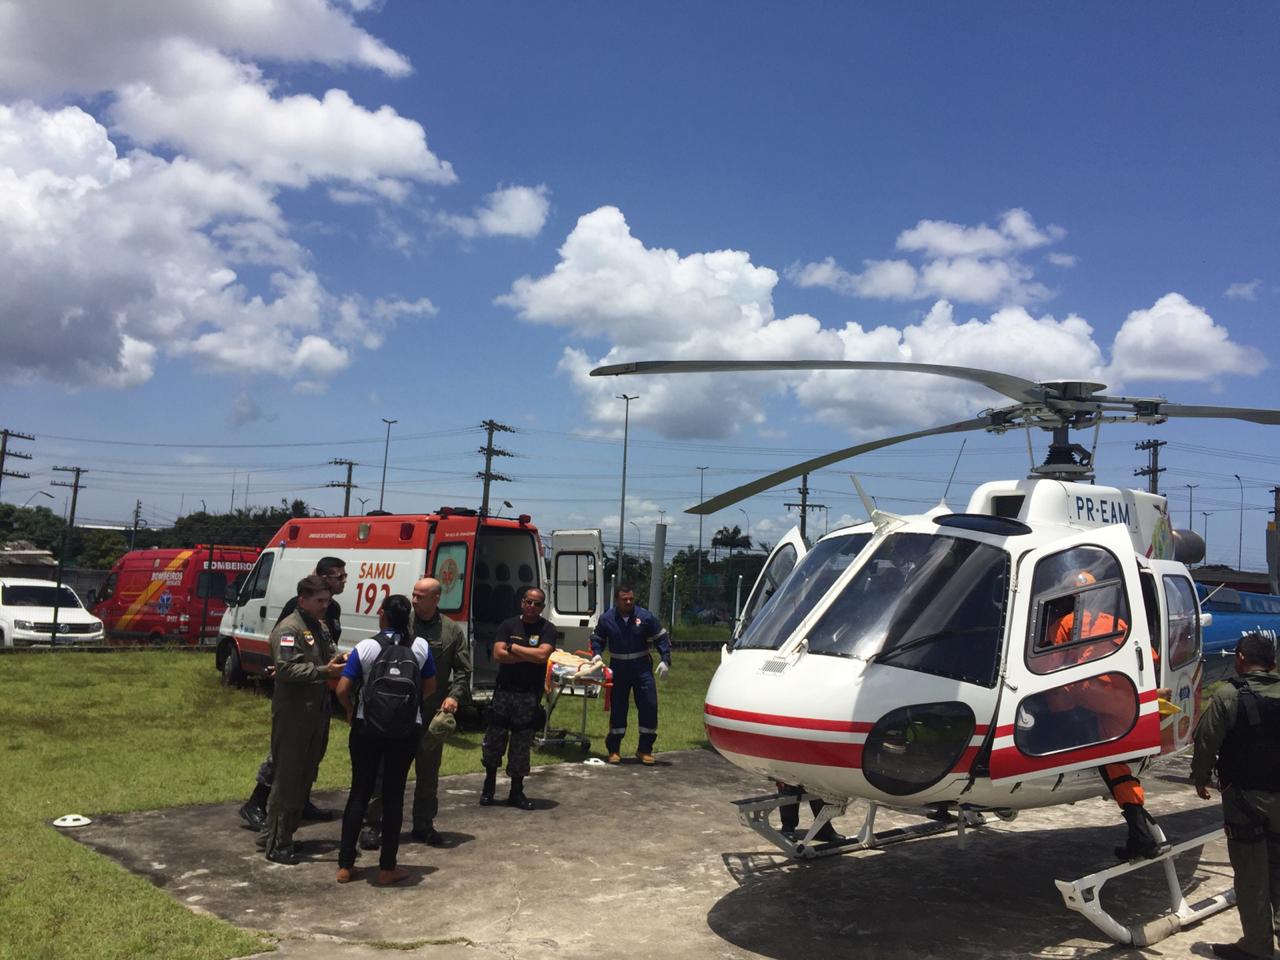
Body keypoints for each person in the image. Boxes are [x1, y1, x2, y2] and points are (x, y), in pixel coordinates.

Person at [1044, 568, 1160, 860]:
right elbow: (1151, 656)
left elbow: (1051, 666)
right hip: (1123, 696)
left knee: (1054, 709)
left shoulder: (1066, 623)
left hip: (1089, 694)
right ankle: (1139, 830)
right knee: (1116, 763)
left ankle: (1140, 830)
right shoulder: (1118, 622)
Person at [359, 576, 471, 849]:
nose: (415, 600)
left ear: (436, 599)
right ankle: (373, 825)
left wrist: (453, 697)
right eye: (414, 594)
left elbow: (463, 670)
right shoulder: (401, 625)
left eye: (421, 596)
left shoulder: (451, 631)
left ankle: (423, 825)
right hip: (396, 713)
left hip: (430, 715)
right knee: (384, 771)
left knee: (428, 772)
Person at [335, 594, 436, 885]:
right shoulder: (420, 647)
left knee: (359, 793)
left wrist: (351, 709)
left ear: (383, 615)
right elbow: (430, 686)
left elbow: (343, 687)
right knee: (393, 796)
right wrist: (408, 708)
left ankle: (345, 865)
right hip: (405, 730)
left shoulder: (366, 647)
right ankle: (387, 867)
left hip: (367, 728)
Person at [239, 556, 347, 831]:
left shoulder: (327, 613)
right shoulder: (296, 614)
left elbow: (326, 646)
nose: (343, 580)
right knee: (284, 761)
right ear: (324, 579)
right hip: (296, 699)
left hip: (316, 698)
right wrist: (318, 669)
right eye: (338, 576)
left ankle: (301, 802)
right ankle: (260, 806)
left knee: (311, 757)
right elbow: (284, 650)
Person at [1191, 632, 1280, 960]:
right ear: (1271, 661)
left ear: (1240, 658)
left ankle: (1257, 946)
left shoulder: (1228, 695)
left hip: (1245, 800)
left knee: (1251, 872)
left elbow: (1206, 743)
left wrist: (1200, 778)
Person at [259, 575, 347, 864]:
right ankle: (277, 842)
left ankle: (277, 832)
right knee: (288, 777)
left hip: (317, 711)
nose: (325, 605)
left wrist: (344, 661)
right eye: (319, 600)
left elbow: (330, 655)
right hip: (294, 714)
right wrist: (325, 672)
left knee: (306, 773)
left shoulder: (318, 627)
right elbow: (286, 671)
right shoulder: (289, 629)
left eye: (327, 600)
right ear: (302, 600)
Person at [479, 586, 556, 809]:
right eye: (528, 601)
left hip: (528, 695)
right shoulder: (508, 625)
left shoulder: (547, 628)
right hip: (504, 692)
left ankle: (516, 791)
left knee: (521, 744)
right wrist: (527, 655)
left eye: (537, 603)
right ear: (522, 602)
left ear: (542, 607)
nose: (532, 606)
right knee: (494, 740)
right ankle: (489, 786)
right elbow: (497, 655)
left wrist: (513, 648)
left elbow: (543, 655)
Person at [590, 585, 670, 765]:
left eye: (631, 599)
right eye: (624, 599)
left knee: (649, 705)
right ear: (617, 600)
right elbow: (597, 638)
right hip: (619, 668)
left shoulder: (645, 616)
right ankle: (614, 750)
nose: (628, 602)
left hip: (641, 668)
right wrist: (596, 654)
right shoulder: (607, 618)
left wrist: (665, 660)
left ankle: (645, 750)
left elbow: (661, 637)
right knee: (618, 708)